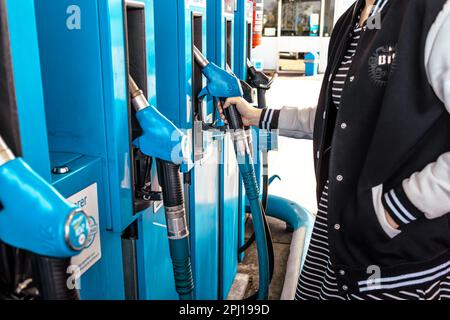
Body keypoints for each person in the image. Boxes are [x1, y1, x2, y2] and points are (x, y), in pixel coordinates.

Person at [219, 0, 450, 300]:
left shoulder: (432, 11)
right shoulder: (349, 22)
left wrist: (393, 212)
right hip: (339, 230)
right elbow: (336, 117)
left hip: (398, 261)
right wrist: (256, 115)